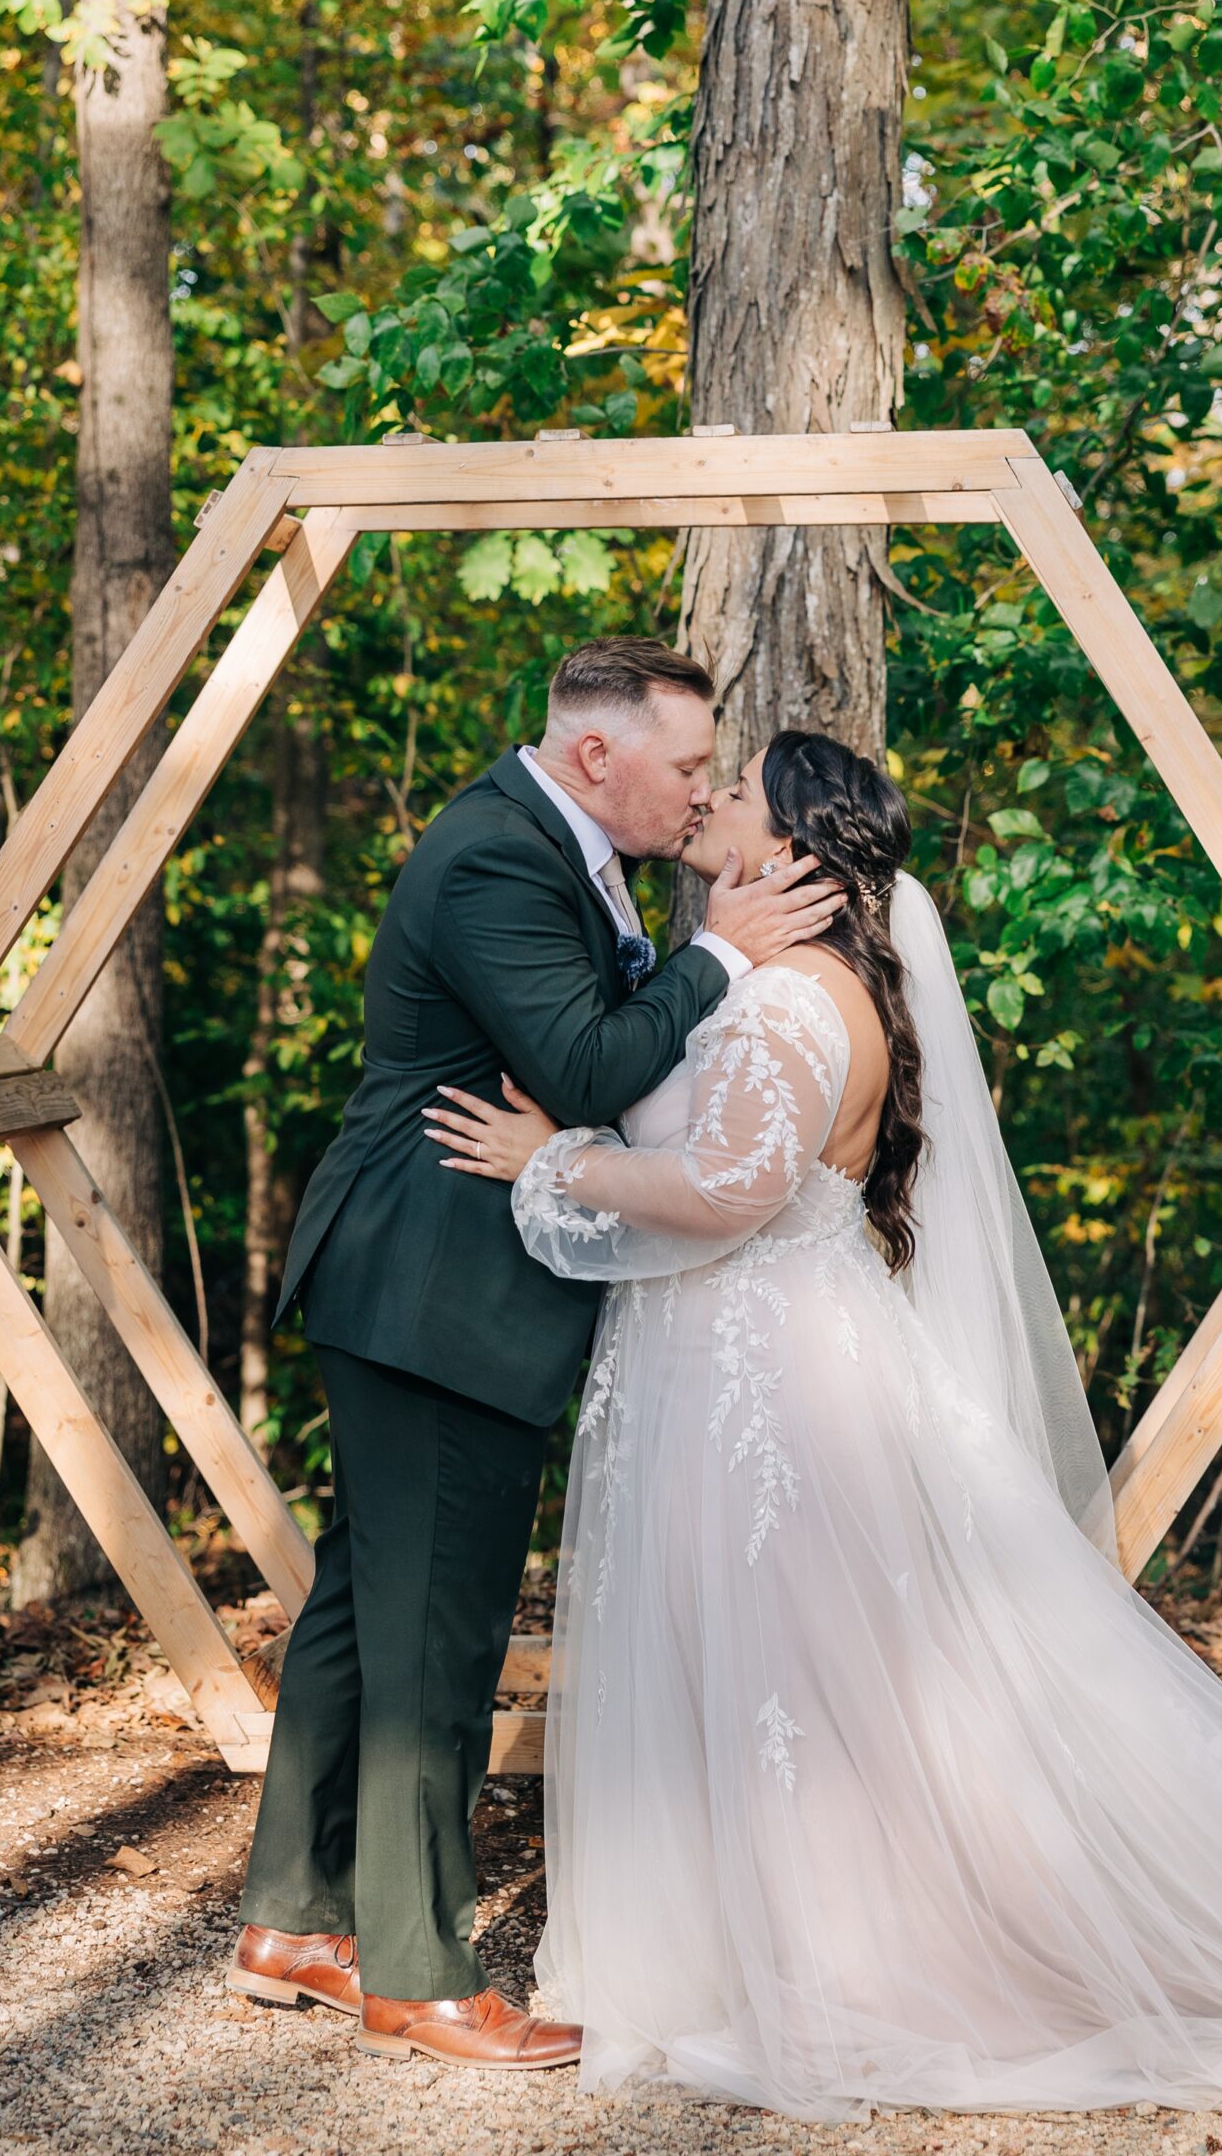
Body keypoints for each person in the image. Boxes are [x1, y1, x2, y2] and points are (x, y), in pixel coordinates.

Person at [423, 726, 1222, 2121]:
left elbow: (728, 1190)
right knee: (804, 1675)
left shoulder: (795, 1002)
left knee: (805, 1676)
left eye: (738, 789)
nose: (712, 799)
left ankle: (855, 1967)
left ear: (789, 847)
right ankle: (774, 1947)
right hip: (762, 1362)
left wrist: (553, 1161)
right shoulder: (807, 983)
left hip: (767, 1385)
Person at [230, 640, 842, 2069]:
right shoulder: (497, 860)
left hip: (421, 1280)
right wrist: (715, 959)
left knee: (363, 1608)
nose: (699, 794)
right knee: (436, 1635)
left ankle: (294, 1917)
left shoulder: (554, 840)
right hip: (436, 1285)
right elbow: (584, 1067)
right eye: (687, 766)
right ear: (594, 756)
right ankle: (420, 1969)